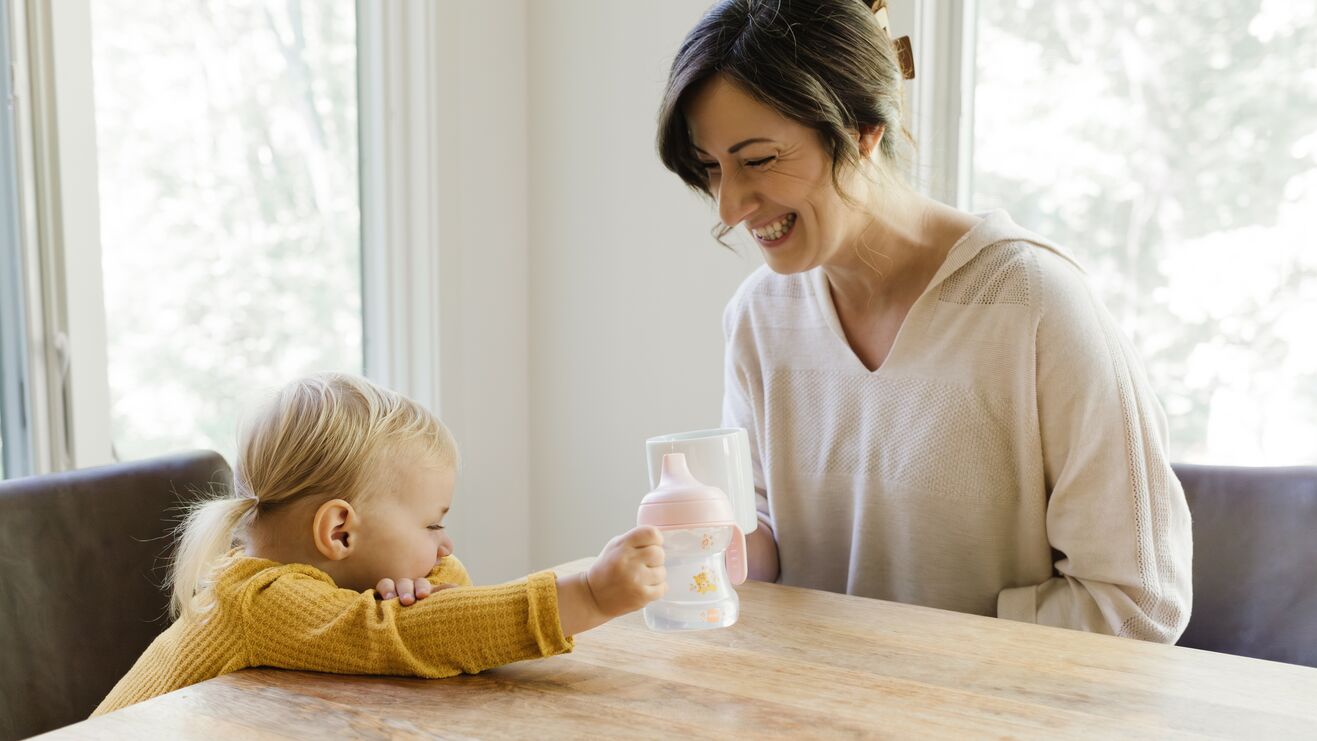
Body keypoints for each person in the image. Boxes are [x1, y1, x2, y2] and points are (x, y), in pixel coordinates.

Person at [656, 0, 1191, 642]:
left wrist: (908, 658)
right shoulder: (759, 318)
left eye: (760, 159)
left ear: (861, 129)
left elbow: (1137, 603)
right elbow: (767, 542)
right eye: (711, 167)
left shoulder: (1033, 307)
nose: (732, 205)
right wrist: (705, 551)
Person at [94, 373, 666, 715]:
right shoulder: (262, 602)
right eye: (432, 525)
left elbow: (445, 596)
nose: (447, 547)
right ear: (339, 531)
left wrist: (426, 583)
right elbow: (409, 637)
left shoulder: (293, 585)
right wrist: (589, 594)